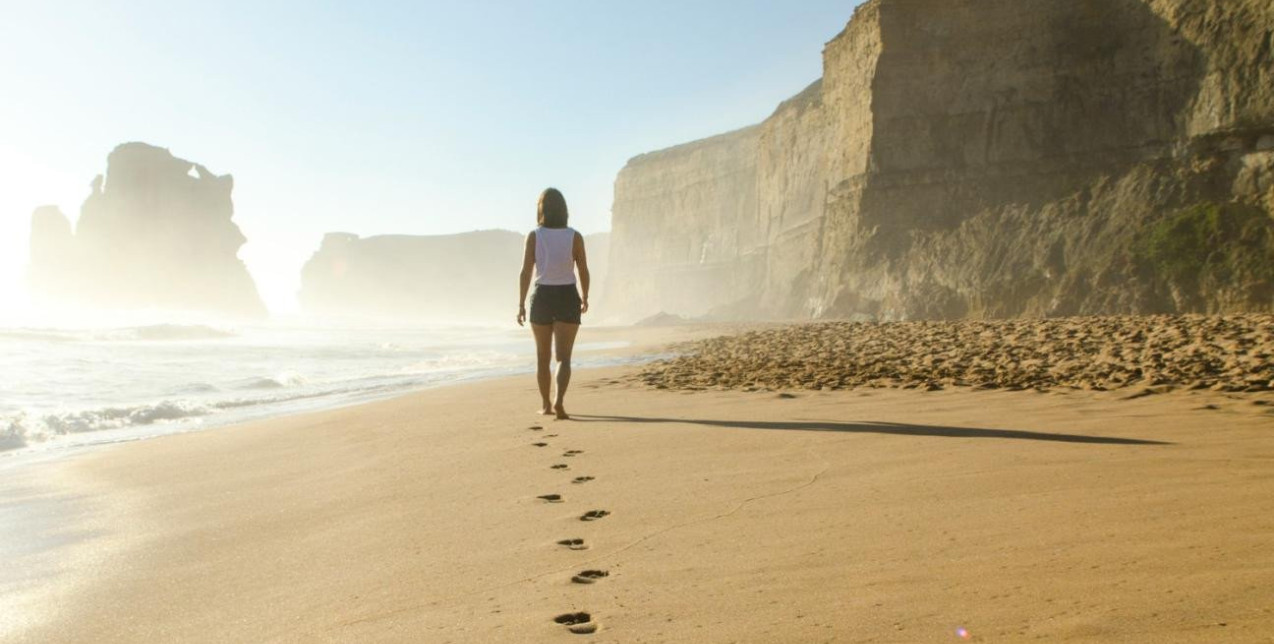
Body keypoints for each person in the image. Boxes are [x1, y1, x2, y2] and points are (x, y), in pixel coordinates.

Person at [517, 187, 589, 419]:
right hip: (567, 295)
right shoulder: (575, 236)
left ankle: (546, 405)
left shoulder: (534, 236)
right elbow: (583, 270)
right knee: (563, 358)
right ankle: (559, 402)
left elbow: (525, 272)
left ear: (541, 210)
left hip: (542, 297)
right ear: (564, 210)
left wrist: (521, 304)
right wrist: (585, 296)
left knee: (543, 357)